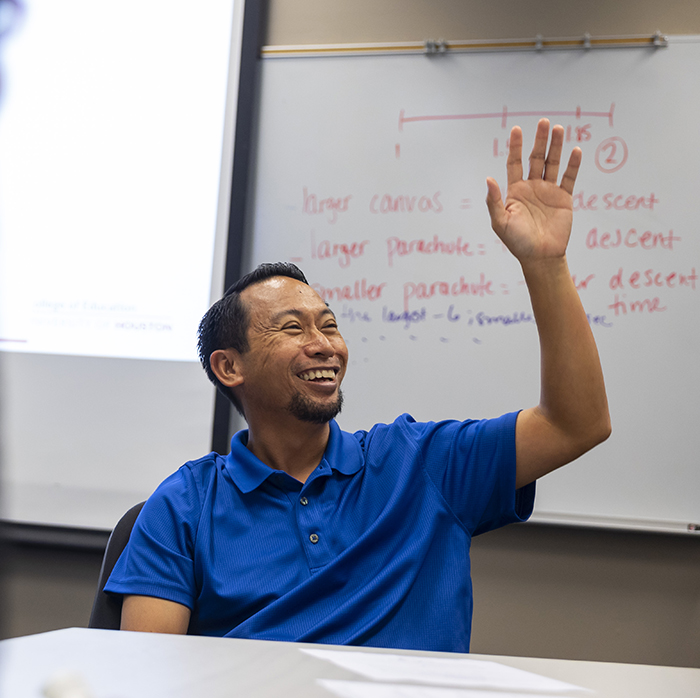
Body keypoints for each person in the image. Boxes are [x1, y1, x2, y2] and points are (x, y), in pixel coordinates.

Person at [105, 119, 611, 651]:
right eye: (292, 328)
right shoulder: (186, 503)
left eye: (329, 324)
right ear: (230, 367)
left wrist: (546, 265)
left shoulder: (421, 464)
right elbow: (147, 672)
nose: (325, 344)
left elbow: (576, 424)